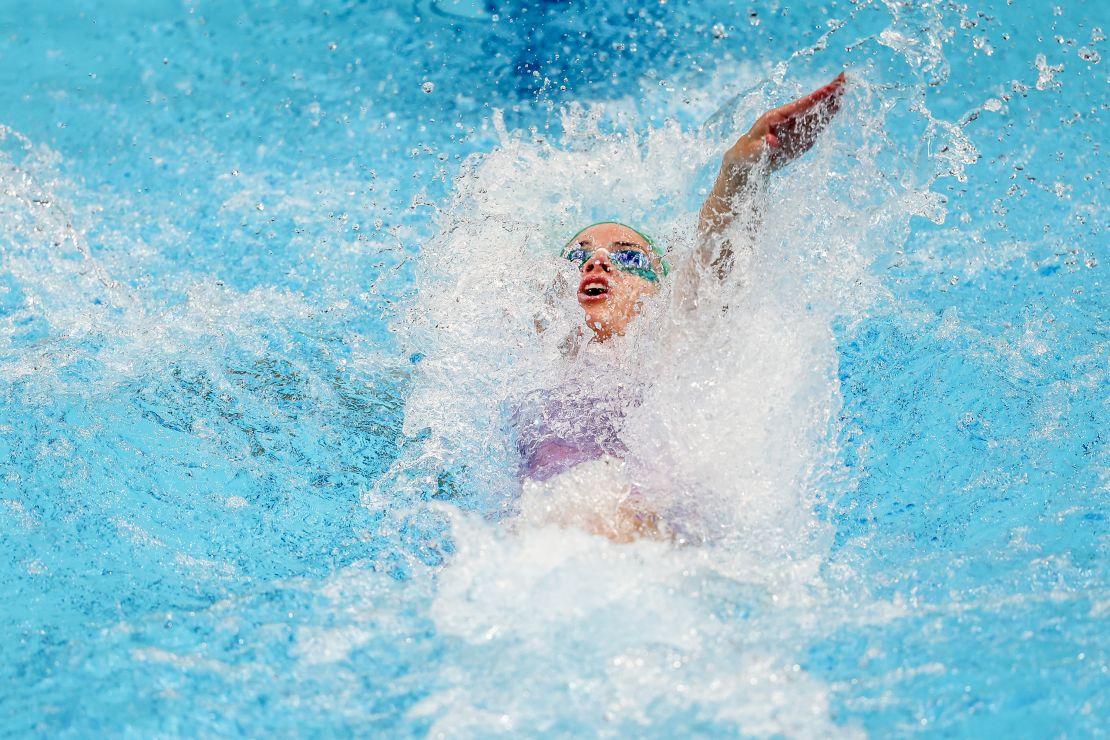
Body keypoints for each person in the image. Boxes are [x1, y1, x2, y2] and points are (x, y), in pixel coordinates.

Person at [513, 73, 847, 543]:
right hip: (536, 542)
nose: (597, 260)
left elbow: (715, 259)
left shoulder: (663, 349)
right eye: (578, 256)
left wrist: (742, 170)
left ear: (660, 292)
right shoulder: (528, 370)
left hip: (650, 529)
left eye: (628, 257)